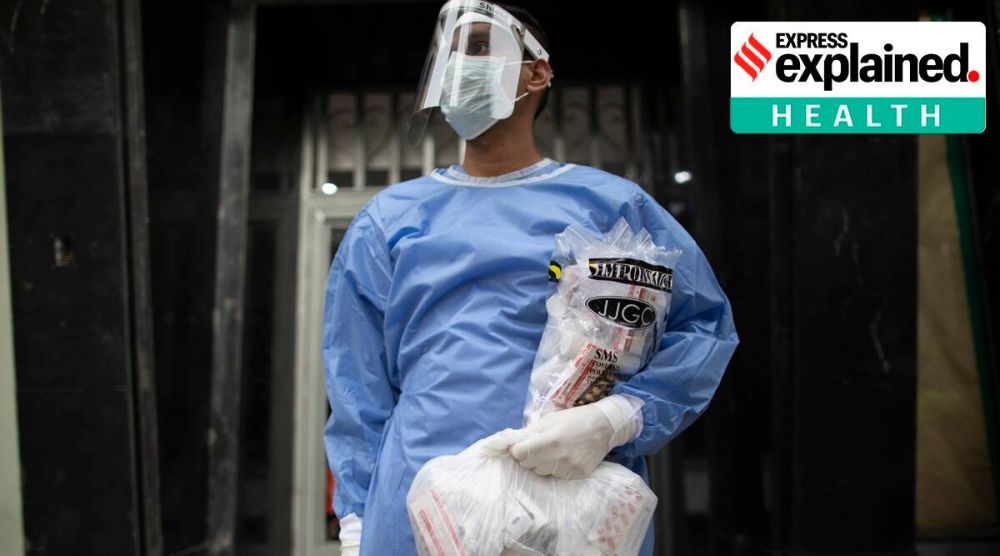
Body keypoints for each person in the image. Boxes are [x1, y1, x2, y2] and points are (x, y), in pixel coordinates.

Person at [322, 2, 739, 554]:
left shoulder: (611, 207)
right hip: (421, 511)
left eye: (476, 47)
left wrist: (618, 417)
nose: (457, 63)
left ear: (537, 72)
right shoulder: (389, 221)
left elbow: (703, 328)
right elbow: (358, 386)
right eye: (449, 50)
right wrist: (356, 520)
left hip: (576, 510)